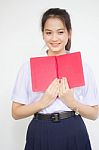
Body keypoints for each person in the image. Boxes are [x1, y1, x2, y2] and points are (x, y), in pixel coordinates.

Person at [11, 8, 99, 150]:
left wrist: (71, 102)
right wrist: (43, 102)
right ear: (43, 35)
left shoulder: (83, 67)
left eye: (60, 32)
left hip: (73, 130)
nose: (54, 38)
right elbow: (15, 112)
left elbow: (94, 114)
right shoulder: (28, 67)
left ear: (69, 33)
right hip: (40, 130)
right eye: (48, 33)